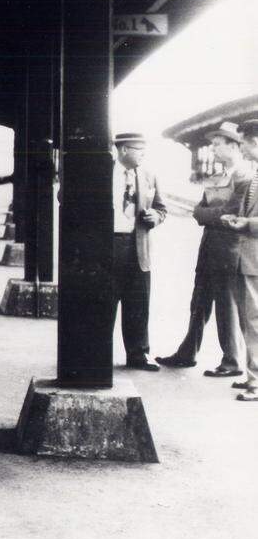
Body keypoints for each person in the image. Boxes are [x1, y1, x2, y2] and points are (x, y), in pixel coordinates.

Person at [157, 122, 252, 375]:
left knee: (225, 305)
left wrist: (203, 214)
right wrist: (206, 214)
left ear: (234, 146)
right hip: (210, 245)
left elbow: (231, 213)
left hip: (229, 249)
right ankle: (187, 353)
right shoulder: (219, 176)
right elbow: (206, 211)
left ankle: (232, 361)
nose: (214, 148)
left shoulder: (244, 176)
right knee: (198, 302)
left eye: (219, 143)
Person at [110, 132, 167, 371]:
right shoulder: (101, 171)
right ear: (123, 150)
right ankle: (97, 353)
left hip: (138, 247)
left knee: (138, 303)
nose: (143, 154)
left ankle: (139, 354)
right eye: (138, 149)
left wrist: (157, 217)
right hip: (108, 245)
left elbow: (161, 208)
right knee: (104, 302)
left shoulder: (148, 175)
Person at [221, 119, 258, 402]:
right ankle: (252, 375)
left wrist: (246, 223)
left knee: (255, 319)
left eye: (243, 141)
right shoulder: (254, 174)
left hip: (255, 257)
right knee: (249, 319)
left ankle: (257, 382)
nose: (241, 147)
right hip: (246, 257)